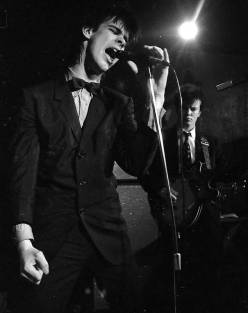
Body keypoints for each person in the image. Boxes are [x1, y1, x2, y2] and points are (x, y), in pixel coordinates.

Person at [8, 4, 169, 313]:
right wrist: (24, 243)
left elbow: (137, 162)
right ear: (88, 31)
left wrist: (157, 94)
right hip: (54, 236)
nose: (122, 45)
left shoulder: (118, 103)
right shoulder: (36, 98)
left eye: (126, 42)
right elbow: (22, 175)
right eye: (115, 33)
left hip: (108, 233)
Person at [140, 83, 226, 313]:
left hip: (205, 219)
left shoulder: (210, 143)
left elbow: (216, 177)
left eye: (193, 109)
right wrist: (160, 189)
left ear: (200, 112)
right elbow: (146, 174)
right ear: (177, 109)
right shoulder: (162, 140)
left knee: (208, 273)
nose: (188, 113)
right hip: (175, 217)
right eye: (184, 108)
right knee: (174, 277)